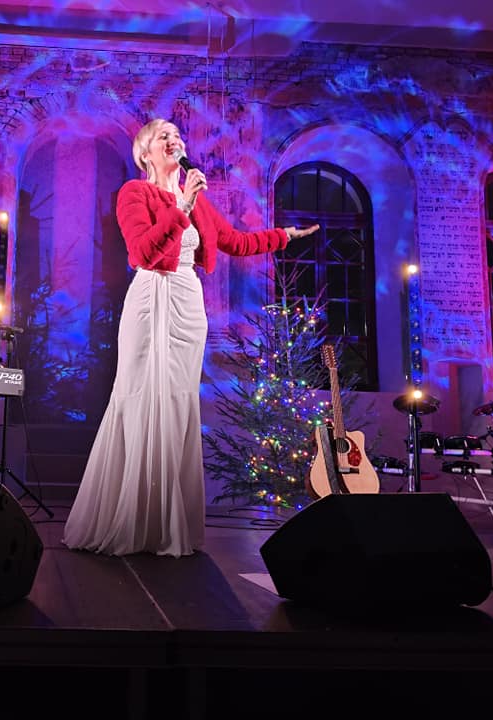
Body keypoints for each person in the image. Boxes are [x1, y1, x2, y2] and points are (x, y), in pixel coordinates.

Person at [62, 119, 319, 558]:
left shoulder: (196, 199)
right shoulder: (135, 193)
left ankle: (166, 524)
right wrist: (182, 203)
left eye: (177, 136)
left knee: (179, 402)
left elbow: (234, 241)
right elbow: (143, 252)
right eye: (163, 136)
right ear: (145, 152)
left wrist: (285, 237)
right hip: (152, 296)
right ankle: (129, 518)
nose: (174, 140)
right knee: (143, 397)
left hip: (187, 300)